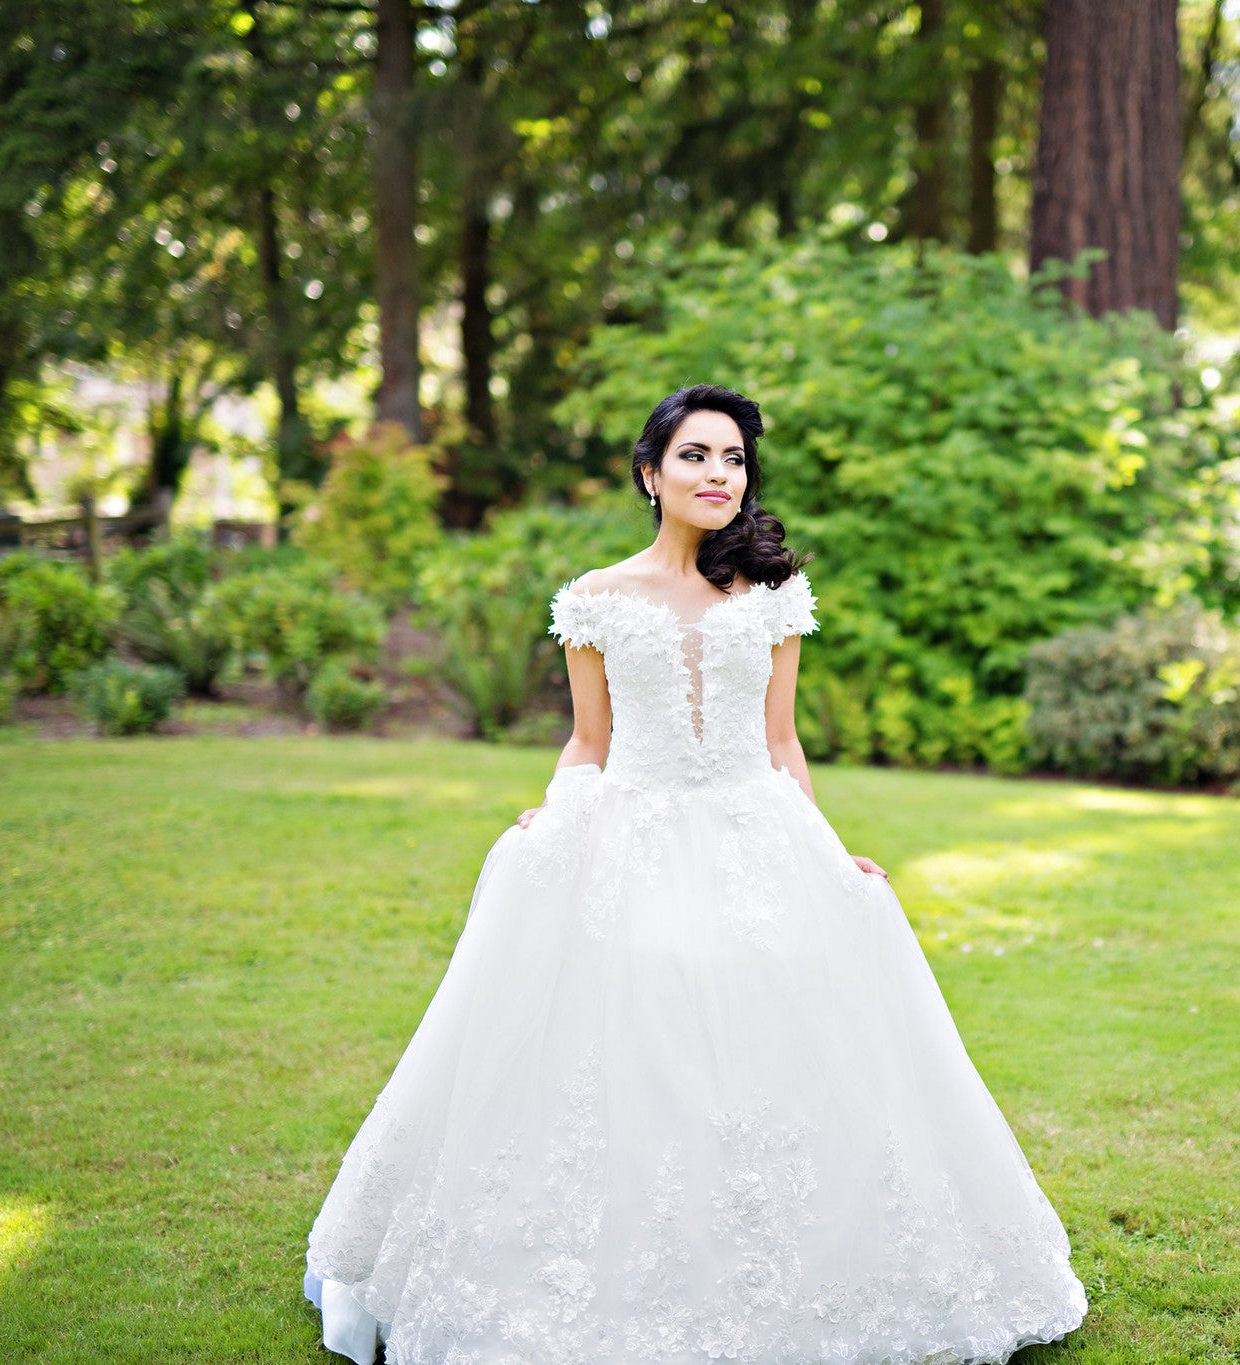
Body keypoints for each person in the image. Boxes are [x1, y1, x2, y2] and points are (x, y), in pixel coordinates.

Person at [302, 384, 1087, 1364]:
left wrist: (823, 848)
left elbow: (782, 741)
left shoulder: (768, 599)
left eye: (733, 459)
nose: (720, 475)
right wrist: (555, 813)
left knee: (785, 1033)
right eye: (696, 457)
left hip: (753, 831)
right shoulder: (593, 600)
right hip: (628, 831)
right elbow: (587, 741)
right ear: (650, 474)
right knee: (631, 1039)